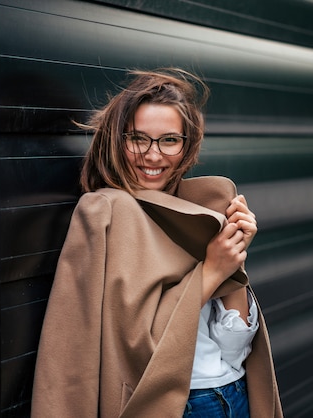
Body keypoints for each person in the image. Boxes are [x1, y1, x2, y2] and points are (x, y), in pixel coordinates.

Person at [31, 68, 283, 417]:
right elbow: (98, 348)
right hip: (180, 406)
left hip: (235, 395)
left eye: (169, 140)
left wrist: (233, 260)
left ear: (187, 145)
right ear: (116, 139)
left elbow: (234, 348)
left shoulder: (200, 209)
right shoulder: (105, 212)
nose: (153, 156)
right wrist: (211, 271)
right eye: (138, 138)